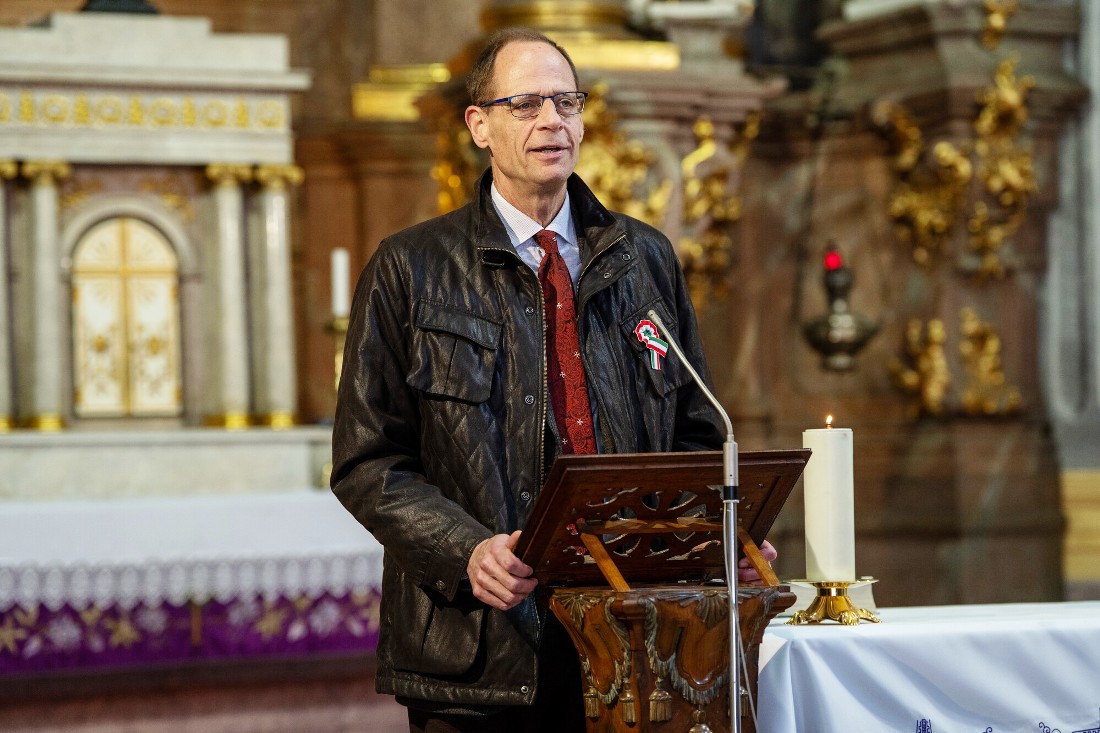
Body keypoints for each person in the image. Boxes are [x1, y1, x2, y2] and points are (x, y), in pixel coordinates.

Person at [330, 27, 777, 733]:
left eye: (566, 102)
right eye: (526, 104)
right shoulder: (409, 268)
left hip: (633, 635)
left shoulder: (644, 258)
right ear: (479, 125)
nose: (552, 121)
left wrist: (717, 541)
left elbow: (696, 436)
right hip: (483, 644)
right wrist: (465, 550)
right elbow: (367, 462)